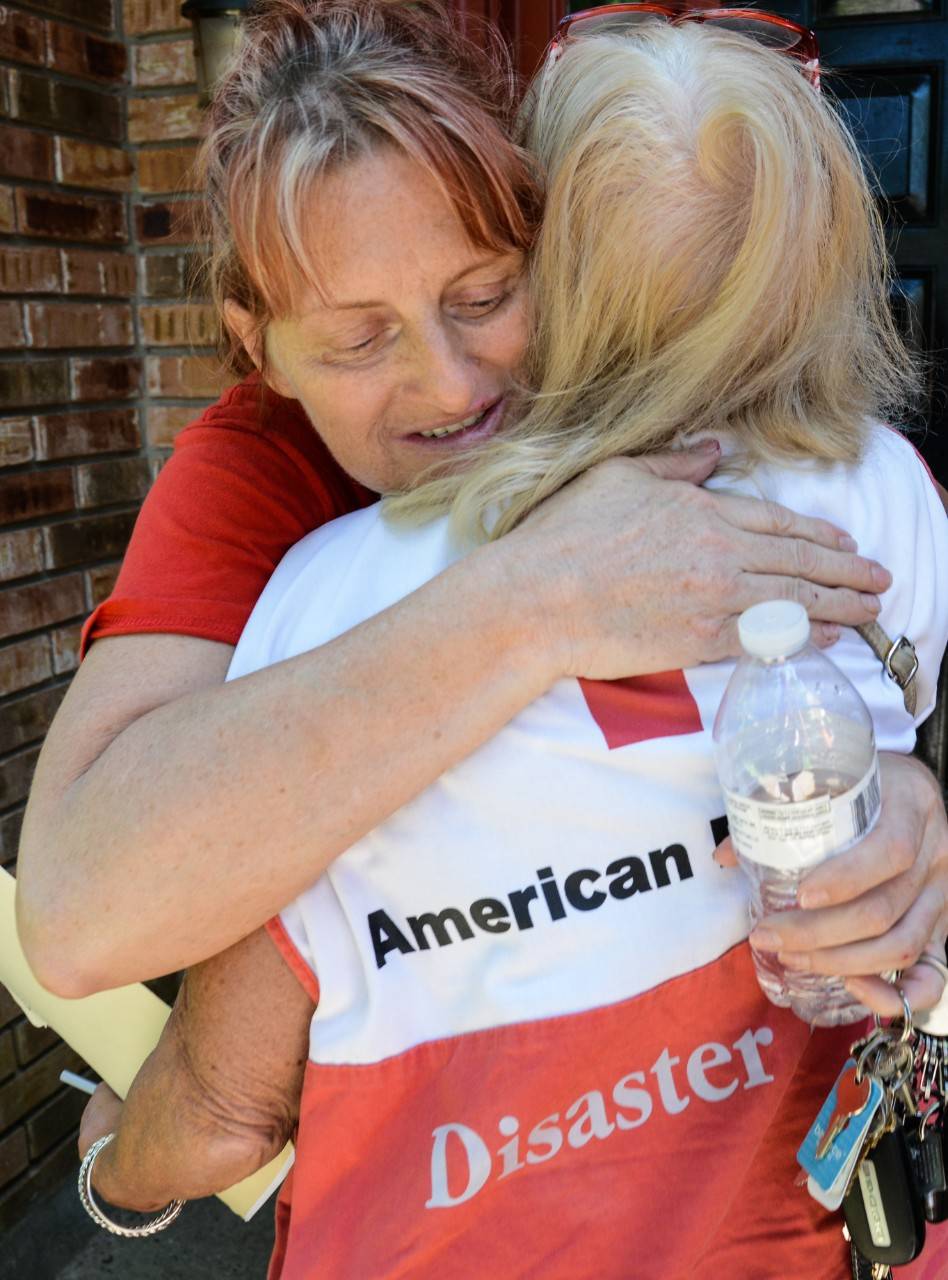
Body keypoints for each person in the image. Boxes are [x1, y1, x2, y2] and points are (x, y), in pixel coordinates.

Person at [76, 14, 948, 1280]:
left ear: (552, 249)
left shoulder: (322, 597)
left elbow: (223, 1098)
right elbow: (86, 905)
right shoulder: (891, 495)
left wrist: (113, 1175)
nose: (445, 387)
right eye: (358, 336)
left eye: (484, 296)